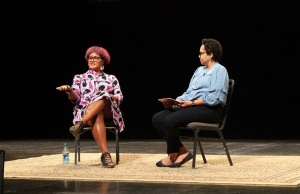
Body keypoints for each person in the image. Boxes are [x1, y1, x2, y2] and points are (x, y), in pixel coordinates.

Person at [152, 38, 229, 168]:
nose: (199, 55)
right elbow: (189, 92)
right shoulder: (199, 70)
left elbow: (216, 98)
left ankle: (173, 154)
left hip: (209, 110)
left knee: (170, 120)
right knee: (158, 118)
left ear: (210, 54)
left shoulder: (220, 70)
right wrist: (177, 101)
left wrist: (192, 104)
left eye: (201, 53)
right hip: (192, 106)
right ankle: (182, 152)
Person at [56, 46, 125, 168]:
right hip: (86, 111)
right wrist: (69, 91)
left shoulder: (111, 78)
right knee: (97, 115)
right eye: (90, 58)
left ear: (103, 61)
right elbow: (75, 98)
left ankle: (80, 125)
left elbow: (120, 96)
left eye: (96, 58)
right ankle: (105, 155)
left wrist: (109, 96)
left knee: (103, 95)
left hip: (109, 110)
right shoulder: (79, 77)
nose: (92, 60)